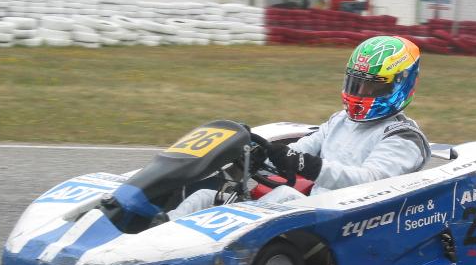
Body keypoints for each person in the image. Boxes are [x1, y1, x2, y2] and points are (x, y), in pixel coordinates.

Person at [168, 35, 430, 218]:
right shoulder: (340, 121)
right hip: (315, 209)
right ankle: (157, 235)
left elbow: (369, 182)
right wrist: (264, 155)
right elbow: (298, 152)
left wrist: (308, 165)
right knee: (205, 196)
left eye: (373, 85)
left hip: (354, 221)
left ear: (399, 85)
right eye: (357, 83)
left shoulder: (404, 138)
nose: (361, 92)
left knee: (282, 195)